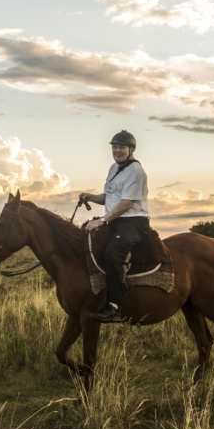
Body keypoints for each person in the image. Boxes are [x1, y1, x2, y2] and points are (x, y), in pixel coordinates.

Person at [77, 130, 150, 322]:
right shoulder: (113, 168)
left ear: (131, 149)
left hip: (133, 221)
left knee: (113, 254)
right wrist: (91, 196)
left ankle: (116, 305)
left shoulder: (136, 172)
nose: (117, 151)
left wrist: (102, 220)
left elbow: (126, 203)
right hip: (115, 219)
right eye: (114, 147)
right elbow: (110, 197)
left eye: (121, 147)